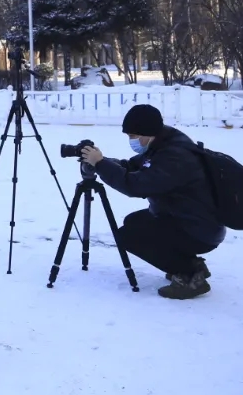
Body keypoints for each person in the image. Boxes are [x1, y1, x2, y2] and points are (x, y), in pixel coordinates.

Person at [80, 104, 225, 300]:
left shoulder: (175, 156)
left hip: (199, 230)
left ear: (147, 132)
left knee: (128, 236)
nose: (131, 141)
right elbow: (132, 167)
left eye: (133, 136)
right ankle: (190, 264)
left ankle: (191, 277)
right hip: (188, 218)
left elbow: (135, 185)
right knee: (134, 222)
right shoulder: (162, 143)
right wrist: (100, 161)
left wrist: (101, 164)